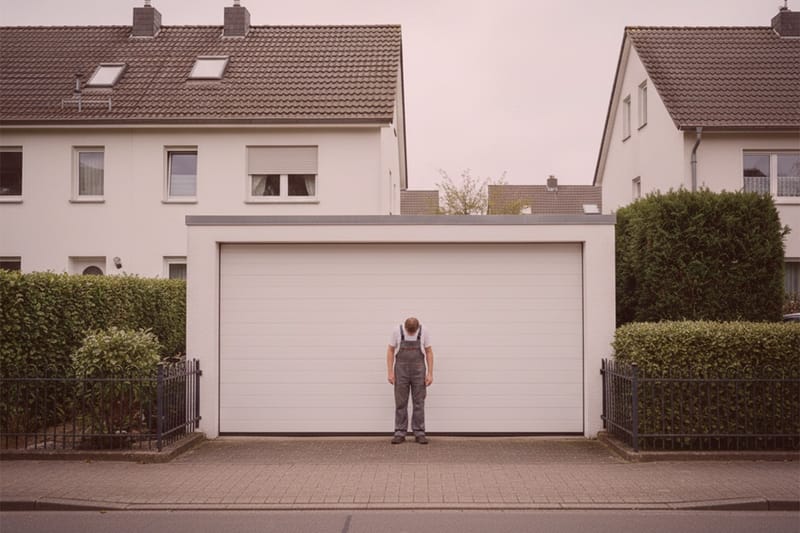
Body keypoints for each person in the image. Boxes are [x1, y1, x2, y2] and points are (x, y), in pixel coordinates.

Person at [386, 317, 434, 444]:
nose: (412, 334)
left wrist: (430, 373)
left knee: (419, 402)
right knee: (401, 402)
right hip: (401, 371)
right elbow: (390, 351)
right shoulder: (397, 331)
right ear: (405, 328)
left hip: (419, 370)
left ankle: (419, 432)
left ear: (418, 328)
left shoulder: (424, 331)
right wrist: (390, 372)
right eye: (410, 332)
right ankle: (399, 432)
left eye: (414, 332)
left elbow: (429, 352)